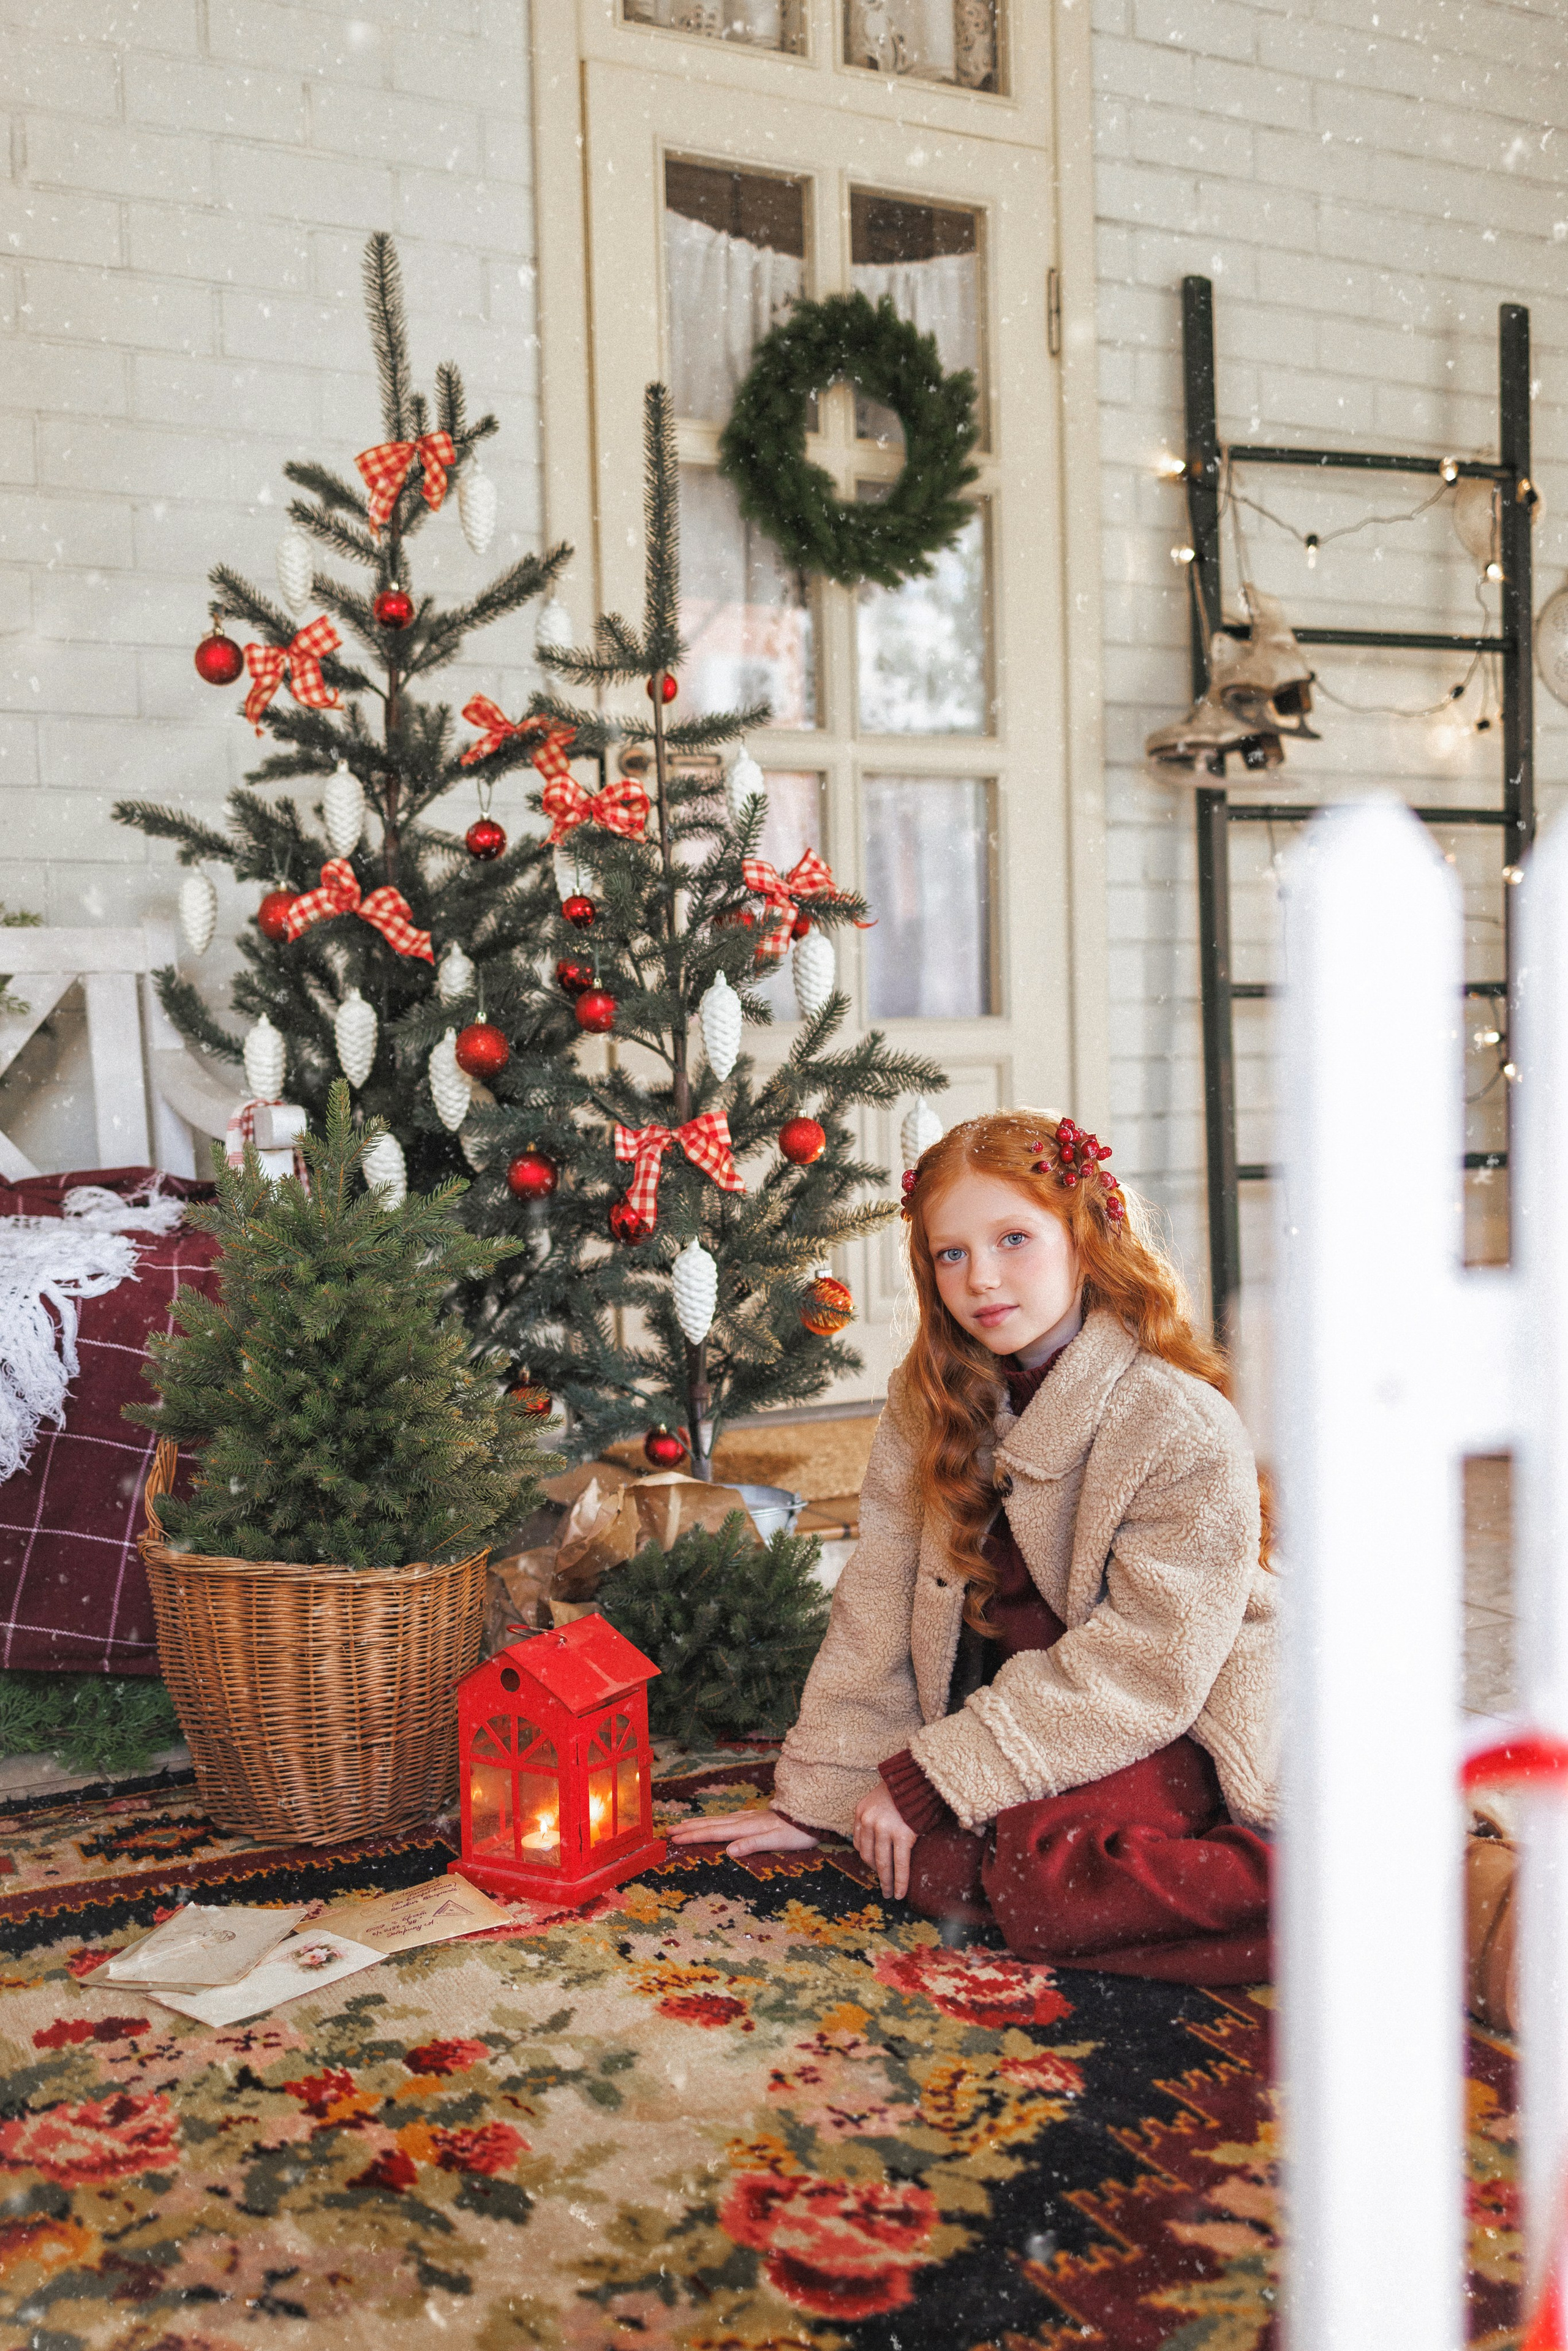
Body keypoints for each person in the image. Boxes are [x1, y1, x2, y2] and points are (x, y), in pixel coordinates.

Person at [670, 1109, 1275, 1982]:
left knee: (1040, 1868)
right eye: (951, 1254)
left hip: (1176, 1711)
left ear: (1084, 1237)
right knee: (916, 1858)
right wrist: (821, 1798)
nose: (982, 1277)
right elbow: (874, 1601)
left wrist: (925, 1781)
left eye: (1014, 1239)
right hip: (1035, 1715)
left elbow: (1148, 1668)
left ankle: (1351, 1882)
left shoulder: (1175, 1421)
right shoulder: (930, 1403)